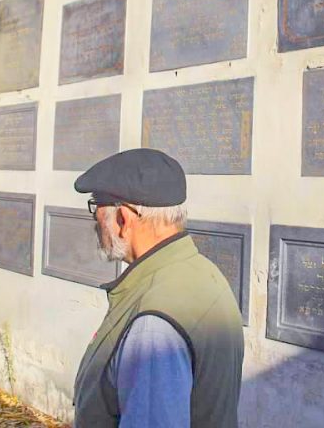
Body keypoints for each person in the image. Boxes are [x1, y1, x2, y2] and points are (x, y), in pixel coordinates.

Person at [71, 148, 245, 428]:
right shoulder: (202, 273)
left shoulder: (154, 324)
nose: (94, 224)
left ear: (123, 219)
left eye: (97, 210)